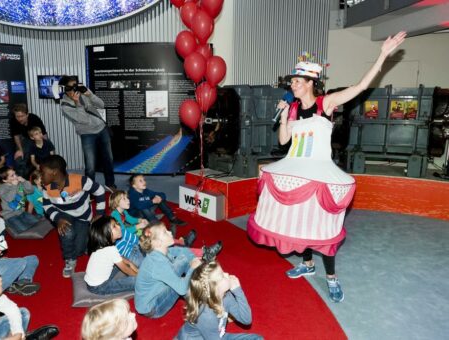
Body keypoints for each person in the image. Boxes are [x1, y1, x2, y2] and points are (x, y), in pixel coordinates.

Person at [247, 32, 407, 303]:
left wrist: (382, 55)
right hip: (297, 171)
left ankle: (331, 278)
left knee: (323, 229)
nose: (293, 86)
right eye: (293, 82)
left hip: (320, 173)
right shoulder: (294, 109)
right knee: (301, 223)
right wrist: (285, 115)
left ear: (310, 83)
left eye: (297, 82)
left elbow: (359, 87)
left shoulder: (326, 103)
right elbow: (285, 140)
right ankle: (308, 265)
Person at [134, 222, 222, 318]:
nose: (170, 232)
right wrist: (192, 268)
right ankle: (204, 302)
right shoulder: (157, 263)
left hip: (156, 293)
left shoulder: (160, 250)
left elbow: (183, 251)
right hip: (153, 308)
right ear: (158, 243)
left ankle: (203, 286)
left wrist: (194, 261)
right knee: (182, 279)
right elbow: (181, 289)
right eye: (165, 232)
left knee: (183, 258)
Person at [40, 155, 106, 278]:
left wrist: (100, 213)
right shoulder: (46, 187)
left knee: (80, 250)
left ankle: (84, 243)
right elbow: (47, 206)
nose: (40, 176)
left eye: (43, 173)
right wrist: (58, 218)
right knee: (67, 232)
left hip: (82, 216)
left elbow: (100, 191)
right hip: (63, 215)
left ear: (54, 172)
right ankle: (70, 259)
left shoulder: (80, 180)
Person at [177, 261, 263, 340]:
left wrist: (238, 291)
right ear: (213, 288)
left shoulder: (226, 296)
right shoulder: (206, 315)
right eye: (222, 275)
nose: (227, 274)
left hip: (217, 336)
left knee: (257, 339)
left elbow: (246, 320)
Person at [59, 75, 115, 190]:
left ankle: (110, 184)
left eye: (75, 85)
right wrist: (77, 104)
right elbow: (83, 120)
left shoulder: (83, 93)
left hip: (102, 129)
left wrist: (90, 94)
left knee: (108, 160)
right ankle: (90, 189)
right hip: (87, 134)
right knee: (90, 165)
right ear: (66, 89)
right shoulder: (65, 105)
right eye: (71, 87)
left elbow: (101, 105)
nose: (74, 89)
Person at [84, 217, 138, 295]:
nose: (119, 226)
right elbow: (126, 269)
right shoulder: (110, 249)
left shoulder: (101, 245)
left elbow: (121, 259)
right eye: (114, 226)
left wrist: (131, 264)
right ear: (105, 233)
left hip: (91, 283)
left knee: (121, 260)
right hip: (99, 287)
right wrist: (139, 277)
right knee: (137, 282)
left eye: (117, 224)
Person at [10, 103, 49, 177]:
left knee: (47, 154)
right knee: (20, 158)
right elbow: (16, 136)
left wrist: (45, 146)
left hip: (38, 137)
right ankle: (21, 181)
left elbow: (43, 134)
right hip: (24, 138)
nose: (20, 119)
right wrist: (20, 150)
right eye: (17, 116)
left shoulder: (34, 118)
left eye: (22, 116)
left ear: (27, 114)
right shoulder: (13, 121)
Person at [0, 166, 40, 233]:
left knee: (37, 223)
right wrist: (14, 186)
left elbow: (31, 191)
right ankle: (7, 223)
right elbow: (9, 199)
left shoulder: (19, 184)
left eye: (15, 174)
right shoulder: (2, 188)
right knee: (23, 229)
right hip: (10, 215)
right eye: (12, 176)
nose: (16, 176)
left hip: (21, 212)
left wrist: (24, 181)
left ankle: (25, 221)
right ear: (5, 180)